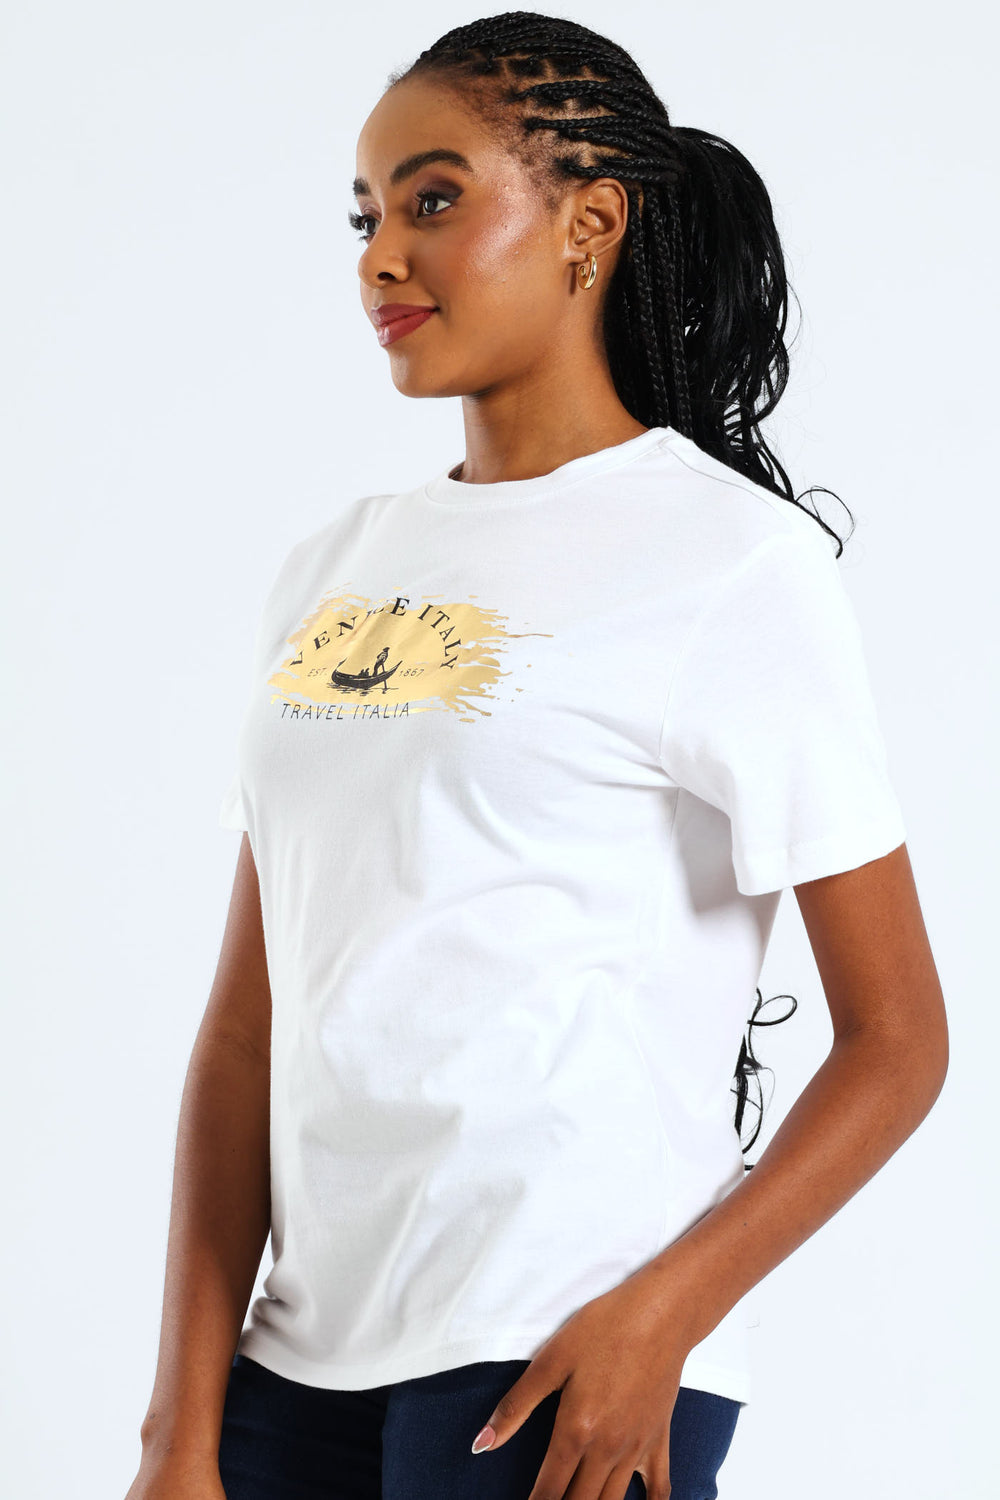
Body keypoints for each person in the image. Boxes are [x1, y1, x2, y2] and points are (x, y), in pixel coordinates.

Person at [126, 12, 948, 1500]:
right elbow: (248, 1030)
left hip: (556, 1357)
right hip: (295, 1366)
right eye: (367, 219)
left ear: (590, 224)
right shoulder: (332, 569)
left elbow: (899, 1043)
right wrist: (180, 1427)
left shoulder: (730, 564)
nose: (383, 258)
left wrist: (664, 1320)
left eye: (433, 201)